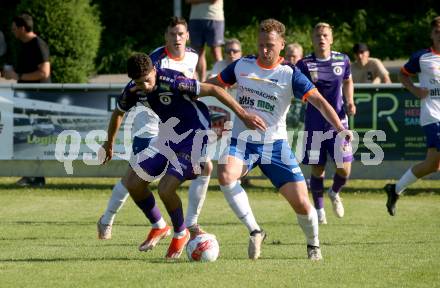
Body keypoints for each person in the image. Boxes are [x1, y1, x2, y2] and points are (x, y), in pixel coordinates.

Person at [207, 18, 352, 261]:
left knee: (303, 205)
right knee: (225, 173)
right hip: (242, 142)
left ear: (281, 44)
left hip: (275, 146)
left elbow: (318, 101)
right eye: (261, 44)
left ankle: (313, 244)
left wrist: (339, 128)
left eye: (270, 45)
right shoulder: (241, 65)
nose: (265, 50)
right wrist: (186, 88)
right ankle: (256, 230)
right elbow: (214, 86)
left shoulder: (290, 74)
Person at [101, 53, 265, 259]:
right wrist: (109, 143)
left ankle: (181, 233)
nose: (144, 86)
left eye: (147, 80)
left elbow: (214, 89)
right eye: (139, 82)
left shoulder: (174, 81)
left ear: (154, 71)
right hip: (169, 135)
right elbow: (118, 113)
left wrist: (244, 115)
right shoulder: (133, 90)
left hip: (195, 136)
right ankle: (159, 226)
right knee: (133, 183)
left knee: (165, 188)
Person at [97, 17, 212, 240]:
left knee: (205, 166)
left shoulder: (193, 56)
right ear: (165, 36)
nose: (176, 38)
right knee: (134, 177)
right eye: (172, 34)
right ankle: (108, 218)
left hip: (179, 127)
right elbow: (138, 90)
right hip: (150, 125)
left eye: (180, 34)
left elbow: (191, 85)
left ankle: (190, 225)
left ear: (187, 35)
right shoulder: (155, 61)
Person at [296, 23, 356, 225]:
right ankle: (320, 211)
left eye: (325, 35)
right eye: (317, 35)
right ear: (312, 39)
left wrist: (350, 100)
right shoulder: (304, 64)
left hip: (338, 124)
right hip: (314, 125)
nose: (321, 38)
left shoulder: (342, 59)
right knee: (317, 169)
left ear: (331, 39)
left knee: (344, 169)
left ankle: (334, 192)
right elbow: (297, 90)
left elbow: (347, 80)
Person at [384, 16, 440, 216]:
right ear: (431, 34)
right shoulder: (423, 57)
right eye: (437, 32)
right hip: (433, 115)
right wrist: (415, 90)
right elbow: (402, 74)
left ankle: (395, 189)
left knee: (433, 164)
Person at [2, 13, 50, 187]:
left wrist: (18, 75)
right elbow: (21, 73)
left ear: (22, 28)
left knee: (35, 137)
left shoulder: (38, 44)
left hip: (38, 100)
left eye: (14, 28)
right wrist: (9, 73)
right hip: (26, 100)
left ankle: (36, 178)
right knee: (27, 137)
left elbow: (44, 72)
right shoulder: (23, 46)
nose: (13, 31)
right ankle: (31, 176)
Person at [186, 0, 224, 81]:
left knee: (216, 52)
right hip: (195, 19)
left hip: (214, 18)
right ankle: (202, 83)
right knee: (197, 53)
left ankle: (223, 81)